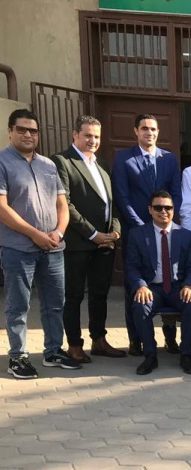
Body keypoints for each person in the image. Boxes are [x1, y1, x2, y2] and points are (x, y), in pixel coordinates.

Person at [1, 109, 80, 379]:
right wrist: (35, 234)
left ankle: (53, 351)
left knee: (55, 304)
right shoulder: (2, 162)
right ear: (10, 132)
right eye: (22, 129)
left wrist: (59, 232)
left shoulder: (48, 165)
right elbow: (2, 209)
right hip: (18, 248)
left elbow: (62, 204)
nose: (28, 134)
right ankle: (18, 357)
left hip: (53, 248)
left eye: (33, 130)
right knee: (18, 306)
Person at [51, 115, 124, 363]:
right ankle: (74, 344)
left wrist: (115, 231)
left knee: (100, 294)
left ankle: (99, 340)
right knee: (74, 296)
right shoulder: (62, 161)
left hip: (105, 244)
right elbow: (65, 205)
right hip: (78, 244)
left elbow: (111, 203)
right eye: (88, 135)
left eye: (97, 136)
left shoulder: (101, 163)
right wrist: (93, 234)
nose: (93, 140)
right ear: (75, 135)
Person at [113, 114, 183, 356]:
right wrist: (142, 226)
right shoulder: (123, 158)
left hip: (166, 230)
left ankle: (170, 338)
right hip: (137, 232)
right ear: (136, 131)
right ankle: (136, 339)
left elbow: (176, 193)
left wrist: (166, 220)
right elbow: (122, 197)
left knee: (168, 280)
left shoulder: (169, 159)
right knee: (136, 285)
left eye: (153, 129)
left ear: (158, 132)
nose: (149, 133)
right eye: (144, 128)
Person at [125, 190, 191, 375]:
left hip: (177, 287)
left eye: (168, 207)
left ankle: (186, 355)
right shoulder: (137, 235)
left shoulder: (185, 235)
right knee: (140, 306)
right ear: (150, 210)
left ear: (174, 210)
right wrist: (141, 285)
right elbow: (132, 267)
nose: (163, 211)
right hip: (152, 288)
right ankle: (150, 356)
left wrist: (189, 285)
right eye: (158, 208)